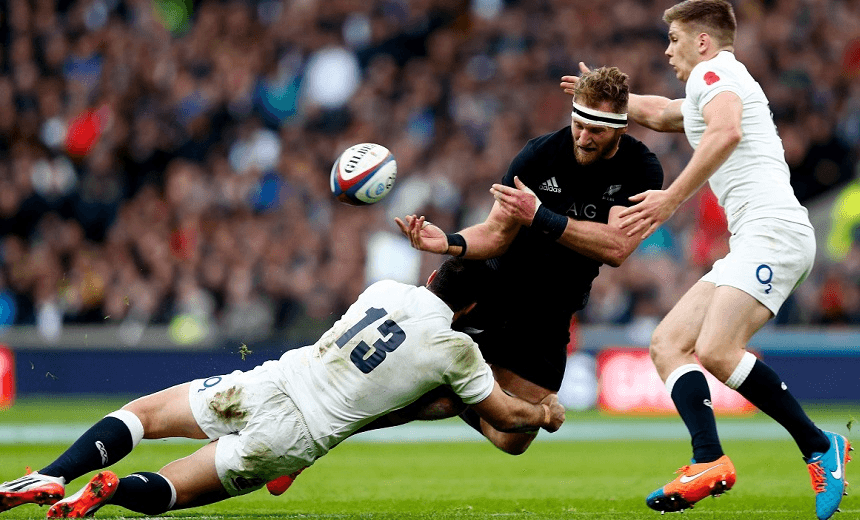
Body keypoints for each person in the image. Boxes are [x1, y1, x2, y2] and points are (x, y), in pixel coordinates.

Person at [561, 1, 851, 518]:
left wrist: (672, 198)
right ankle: (708, 459)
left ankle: (818, 445)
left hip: (773, 233)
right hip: (758, 239)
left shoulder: (715, 72)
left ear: (701, 42)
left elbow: (726, 132)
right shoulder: (710, 86)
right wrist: (605, 103)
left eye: (674, 39)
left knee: (717, 349)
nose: (666, 49)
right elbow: (660, 113)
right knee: (668, 343)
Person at [0, 257, 566, 518]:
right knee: (174, 490)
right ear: (470, 309)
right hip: (294, 436)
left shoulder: (385, 288)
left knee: (142, 414)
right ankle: (113, 490)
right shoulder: (456, 350)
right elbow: (506, 418)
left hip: (270, 381)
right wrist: (542, 415)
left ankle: (55, 473)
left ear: (431, 275)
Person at [393, 66, 663, 455]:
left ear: (620, 128)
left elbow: (617, 247)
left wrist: (541, 216)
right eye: (578, 124)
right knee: (407, 359)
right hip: (492, 283)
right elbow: (495, 233)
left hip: (551, 309)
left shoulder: (642, 169)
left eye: (597, 131)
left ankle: (460, 388)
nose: (583, 138)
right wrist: (448, 241)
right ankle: (338, 423)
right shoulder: (539, 155)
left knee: (512, 438)